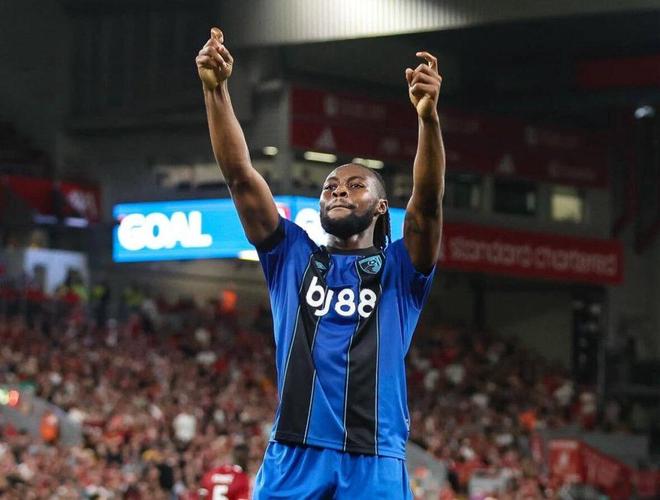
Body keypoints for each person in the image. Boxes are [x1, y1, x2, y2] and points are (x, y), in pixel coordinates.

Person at [196, 27, 445, 499]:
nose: (338, 191)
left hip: (374, 457)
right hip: (295, 452)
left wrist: (428, 120)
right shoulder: (290, 256)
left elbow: (428, 203)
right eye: (330, 186)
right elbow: (240, 177)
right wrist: (216, 90)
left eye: (355, 185)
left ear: (380, 208)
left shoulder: (401, 268)